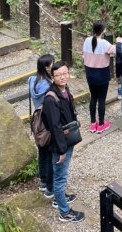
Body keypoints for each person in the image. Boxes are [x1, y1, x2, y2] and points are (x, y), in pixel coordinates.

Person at [42, 61, 84, 223]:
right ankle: (65, 213)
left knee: (59, 174)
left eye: (65, 73)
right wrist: (61, 151)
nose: (63, 77)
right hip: (60, 145)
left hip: (66, 140)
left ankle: (58, 198)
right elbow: (54, 127)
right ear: (52, 77)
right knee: (60, 177)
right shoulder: (50, 99)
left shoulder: (65, 90)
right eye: (58, 74)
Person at [28, 54, 55, 198]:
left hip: (36, 120)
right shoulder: (49, 84)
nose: (53, 65)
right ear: (46, 67)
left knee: (42, 152)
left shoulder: (32, 80)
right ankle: (50, 187)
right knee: (50, 152)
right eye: (52, 64)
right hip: (47, 120)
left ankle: (43, 181)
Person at [82, 21, 116, 133]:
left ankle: (93, 124)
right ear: (103, 30)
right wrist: (119, 42)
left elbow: (84, 55)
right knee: (101, 100)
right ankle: (101, 125)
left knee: (93, 98)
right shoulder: (104, 43)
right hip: (102, 75)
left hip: (90, 74)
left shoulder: (87, 40)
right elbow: (115, 51)